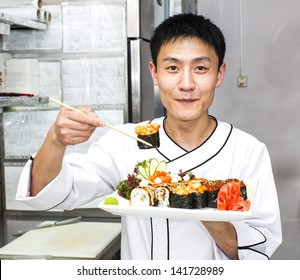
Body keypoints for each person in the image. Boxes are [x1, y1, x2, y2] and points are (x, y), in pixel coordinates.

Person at [16, 13, 282, 260]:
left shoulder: (246, 150)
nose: (186, 84)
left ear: (219, 74)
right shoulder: (127, 140)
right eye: (172, 68)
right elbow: (47, 194)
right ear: (154, 73)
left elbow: (258, 251)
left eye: (200, 68)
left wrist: (204, 206)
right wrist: (56, 139)